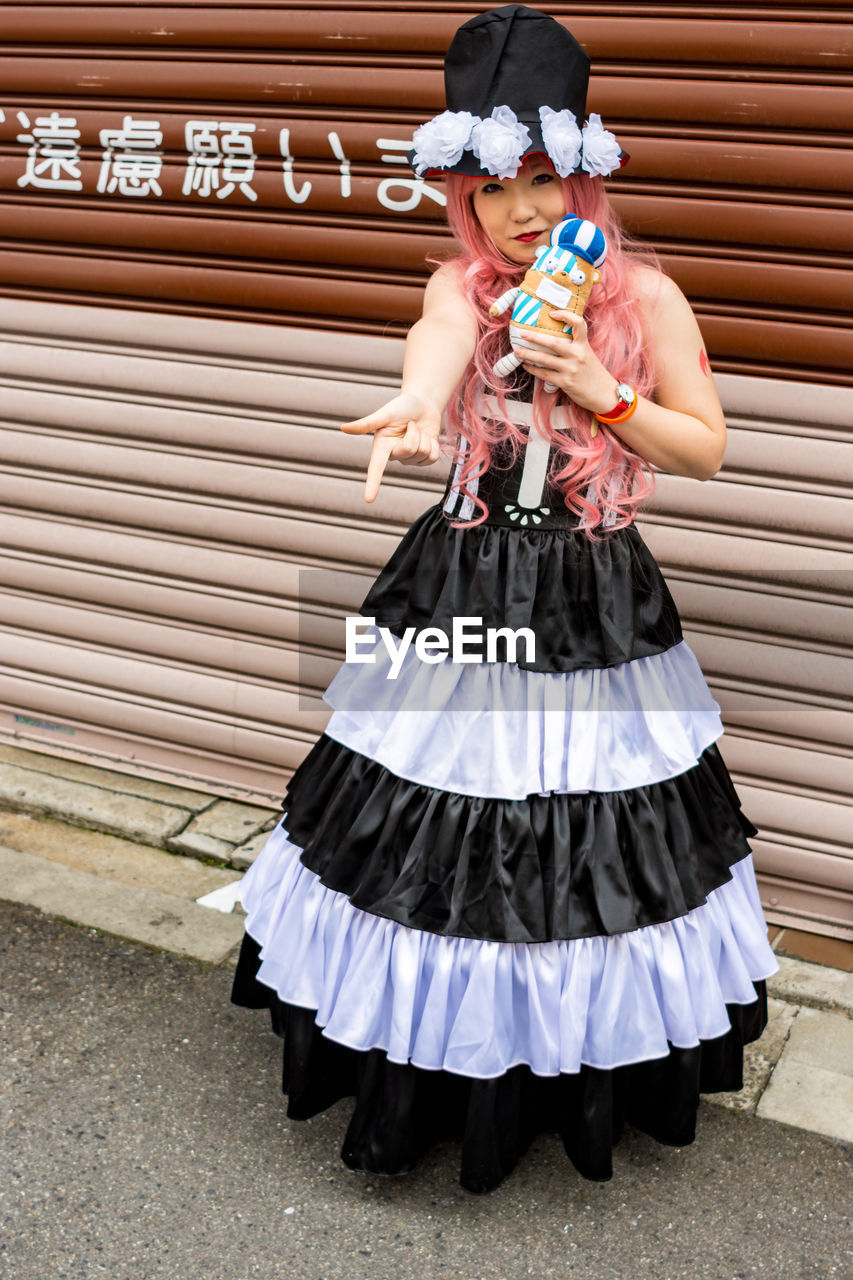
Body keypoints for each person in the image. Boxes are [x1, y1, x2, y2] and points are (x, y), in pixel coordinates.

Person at [231, 4, 778, 1194]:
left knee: (587, 830)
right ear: (460, 199)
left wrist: (599, 385)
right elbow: (432, 347)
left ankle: (570, 1066)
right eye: (489, 186)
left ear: (582, 174)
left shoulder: (651, 299)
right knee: (428, 813)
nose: (520, 209)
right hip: (464, 571)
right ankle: (429, 1068)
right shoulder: (458, 288)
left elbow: (706, 450)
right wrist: (424, 404)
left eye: (541, 178)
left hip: (591, 588)